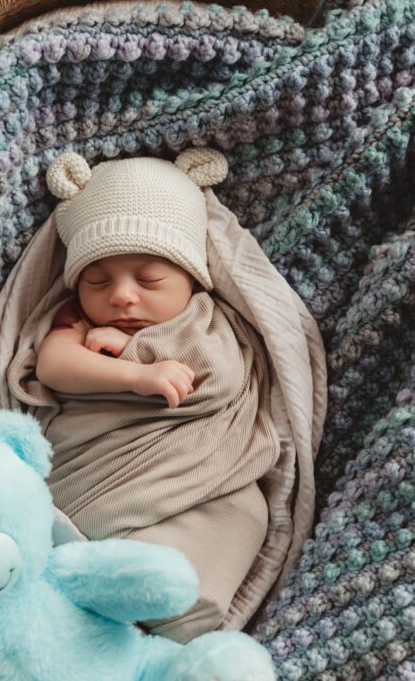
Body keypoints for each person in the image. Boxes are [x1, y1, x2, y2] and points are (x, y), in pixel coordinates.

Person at [15, 148, 281, 641]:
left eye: (149, 278)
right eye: (98, 280)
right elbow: (53, 366)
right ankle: (115, 581)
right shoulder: (77, 320)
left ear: (191, 276)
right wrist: (133, 375)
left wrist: (138, 350)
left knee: (246, 511)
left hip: (201, 470)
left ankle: (182, 601)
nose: (120, 296)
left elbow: (221, 379)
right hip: (101, 471)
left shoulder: (211, 321)